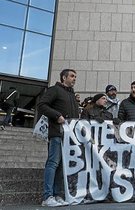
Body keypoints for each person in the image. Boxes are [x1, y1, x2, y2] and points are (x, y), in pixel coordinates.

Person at [37, 69, 79, 207]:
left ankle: (57, 195)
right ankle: (47, 197)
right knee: (53, 163)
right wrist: (56, 116)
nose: (74, 79)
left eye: (75, 77)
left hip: (68, 136)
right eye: (72, 76)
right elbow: (42, 105)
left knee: (61, 166)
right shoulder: (54, 90)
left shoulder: (72, 95)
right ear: (63, 77)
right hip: (56, 134)